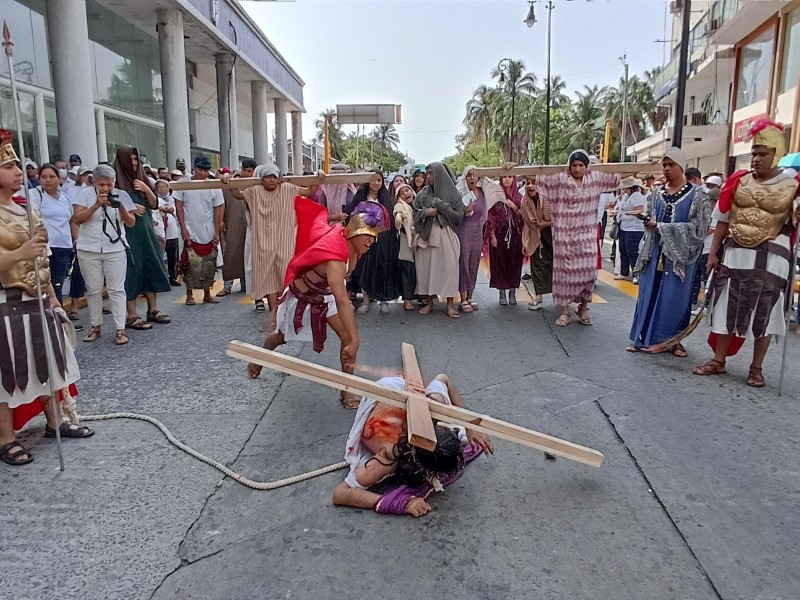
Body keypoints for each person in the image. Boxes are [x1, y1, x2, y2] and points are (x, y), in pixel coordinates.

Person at [0, 135, 92, 466]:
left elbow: (42, 262)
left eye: (15, 166)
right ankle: (5, 438)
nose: (17, 171)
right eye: (8, 166)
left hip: (38, 298)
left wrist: (53, 297)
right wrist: (17, 255)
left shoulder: (28, 210)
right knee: (8, 373)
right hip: (5, 302)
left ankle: (56, 420)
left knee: (47, 366)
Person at [693, 120, 800, 387]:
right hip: (735, 254)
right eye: (753, 153)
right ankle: (718, 360)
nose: (756, 159)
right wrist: (712, 253)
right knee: (726, 306)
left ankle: (756, 368)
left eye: (763, 154)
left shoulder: (792, 185)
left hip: (772, 257)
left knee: (767, 312)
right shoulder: (737, 182)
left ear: (776, 153)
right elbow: (723, 220)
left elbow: (795, 220)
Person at [246, 197, 378, 409]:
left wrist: (352, 339)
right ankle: (259, 358)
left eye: (374, 235)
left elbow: (339, 295)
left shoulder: (354, 247)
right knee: (280, 338)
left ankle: (347, 391)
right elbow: (342, 299)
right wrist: (356, 339)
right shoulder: (335, 254)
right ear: (353, 231)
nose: (371, 240)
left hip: (325, 297)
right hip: (303, 300)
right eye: (367, 234)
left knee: (348, 341)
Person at [332, 373, 492, 516]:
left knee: (436, 401)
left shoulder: (434, 406)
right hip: (384, 390)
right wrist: (404, 504)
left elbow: (444, 378)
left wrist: (470, 425)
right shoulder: (388, 457)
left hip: (402, 393)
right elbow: (341, 494)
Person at [627, 147, 711, 355]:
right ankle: (642, 338)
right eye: (664, 165)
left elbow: (700, 229)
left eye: (671, 164)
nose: (666, 169)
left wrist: (663, 227)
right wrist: (649, 224)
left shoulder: (697, 195)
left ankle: (673, 341)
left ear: (681, 166)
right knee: (649, 293)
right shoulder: (656, 194)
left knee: (675, 297)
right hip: (655, 252)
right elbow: (652, 221)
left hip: (680, 255)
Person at [221, 164, 320, 329]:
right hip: (263, 243)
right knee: (267, 280)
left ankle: (286, 316)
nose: (271, 180)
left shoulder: (287, 189)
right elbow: (237, 194)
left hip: (284, 241)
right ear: (261, 178)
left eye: (274, 176)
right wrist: (227, 180)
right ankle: (273, 316)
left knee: (286, 278)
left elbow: (310, 191)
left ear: (279, 178)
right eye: (267, 176)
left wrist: (319, 176)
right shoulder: (255, 191)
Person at [536, 151, 620, 326]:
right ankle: (565, 311)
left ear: (586, 166)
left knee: (589, 273)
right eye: (574, 165)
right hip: (563, 237)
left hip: (587, 235)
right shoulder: (560, 179)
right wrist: (511, 169)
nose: (577, 168)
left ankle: (583, 308)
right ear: (569, 166)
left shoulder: (595, 179)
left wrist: (642, 168)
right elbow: (537, 176)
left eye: (581, 165)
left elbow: (619, 174)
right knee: (564, 275)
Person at [73, 164, 137, 345]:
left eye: (109, 184)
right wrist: (96, 205)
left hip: (115, 249)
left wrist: (120, 207)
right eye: (102, 185)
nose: (106, 189)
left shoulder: (122, 195)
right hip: (89, 248)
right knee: (93, 290)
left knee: (117, 289)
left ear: (114, 182)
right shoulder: (84, 195)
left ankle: (120, 329)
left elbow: (131, 223)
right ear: (94, 182)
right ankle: (95, 326)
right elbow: (77, 219)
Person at [113, 146, 171, 327]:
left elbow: (154, 205)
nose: (133, 163)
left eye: (135, 160)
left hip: (146, 232)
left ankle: (153, 309)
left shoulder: (143, 179)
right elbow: (111, 206)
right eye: (129, 160)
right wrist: (128, 207)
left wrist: (146, 189)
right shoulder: (115, 182)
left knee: (150, 267)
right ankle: (132, 315)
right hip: (128, 234)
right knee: (131, 271)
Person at [414, 162, 465, 318]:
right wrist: (426, 213)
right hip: (427, 236)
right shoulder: (423, 193)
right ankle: (429, 302)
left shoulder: (453, 194)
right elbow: (415, 212)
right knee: (427, 269)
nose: (428, 177)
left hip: (446, 235)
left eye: (431, 173)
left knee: (449, 269)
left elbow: (458, 216)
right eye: (427, 173)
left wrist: (440, 205)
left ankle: (450, 304)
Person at [347, 171, 401, 314]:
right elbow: (352, 219)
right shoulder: (360, 198)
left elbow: (390, 223)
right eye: (373, 180)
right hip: (363, 241)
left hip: (383, 241)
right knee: (365, 270)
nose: (376, 183)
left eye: (379, 180)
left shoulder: (386, 200)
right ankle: (365, 300)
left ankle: (383, 300)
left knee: (383, 269)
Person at [174, 155, 224, 305]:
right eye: (200, 169)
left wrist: (217, 231)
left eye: (206, 170)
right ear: (194, 168)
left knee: (209, 260)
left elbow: (218, 209)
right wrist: (183, 228)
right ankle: (189, 293)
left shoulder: (214, 185)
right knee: (189, 261)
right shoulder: (183, 184)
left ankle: (207, 292)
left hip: (208, 226)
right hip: (189, 225)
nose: (203, 173)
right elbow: (179, 207)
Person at [455, 166, 503, 312]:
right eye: (469, 175)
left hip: (477, 232)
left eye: (475, 175)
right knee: (463, 262)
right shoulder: (460, 193)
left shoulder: (483, 193)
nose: (472, 178)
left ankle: (470, 296)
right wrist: (465, 211)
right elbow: (454, 213)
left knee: (474, 263)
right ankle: (462, 298)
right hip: (463, 230)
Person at [29, 164, 76, 305]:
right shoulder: (34, 195)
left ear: (59, 179)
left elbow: (71, 220)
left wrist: (76, 240)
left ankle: (60, 319)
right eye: (44, 177)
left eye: (51, 177)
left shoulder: (66, 198)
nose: (48, 180)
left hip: (64, 247)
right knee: (46, 284)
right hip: (45, 247)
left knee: (58, 284)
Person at [218, 159, 256, 296]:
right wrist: (221, 220)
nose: (246, 174)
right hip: (232, 221)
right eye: (244, 170)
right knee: (230, 253)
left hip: (252, 225)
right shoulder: (231, 182)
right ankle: (227, 285)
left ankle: (245, 284)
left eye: (249, 171)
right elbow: (220, 202)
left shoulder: (257, 184)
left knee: (248, 254)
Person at [486, 174, 524, 306]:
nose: (507, 179)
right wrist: (492, 235)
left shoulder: (519, 197)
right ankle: (502, 292)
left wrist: (514, 207)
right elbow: (490, 216)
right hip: (499, 234)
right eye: (504, 177)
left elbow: (524, 216)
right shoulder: (495, 195)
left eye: (510, 177)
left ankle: (512, 292)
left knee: (514, 262)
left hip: (516, 235)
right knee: (499, 262)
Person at [520, 176, 553, 310]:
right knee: (537, 267)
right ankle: (538, 296)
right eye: (527, 183)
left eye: (534, 183)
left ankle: (562, 298)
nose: (530, 186)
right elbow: (527, 224)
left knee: (555, 267)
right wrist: (525, 242)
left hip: (552, 235)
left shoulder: (549, 198)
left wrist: (546, 223)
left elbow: (559, 217)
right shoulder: (524, 202)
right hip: (535, 236)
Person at [614, 176, 647, 284]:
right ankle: (624, 272)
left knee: (632, 251)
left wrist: (628, 213)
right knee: (623, 250)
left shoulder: (636, 196)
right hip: (624, 226)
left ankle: (636, 273)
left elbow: (640, 210)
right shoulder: (626, 196)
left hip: (634, 228)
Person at [393, 183, 418, 311]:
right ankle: (407, 300)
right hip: (406, 243)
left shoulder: (417, 204)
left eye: (407, 190)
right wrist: (398, 217)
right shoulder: (401, 205)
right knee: (407, 271)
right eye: (402, 193)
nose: (406, 194)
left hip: (418, 243)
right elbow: (398, 212)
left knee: (416, 271)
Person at [155, 179, 181, 286]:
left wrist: (165, 209)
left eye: (164, 187)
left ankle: (173, 276)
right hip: (158, 231)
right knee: (159, 255)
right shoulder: (153, 199)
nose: (162, 189)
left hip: (172, 230)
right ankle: (159, 277)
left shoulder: (173, 199)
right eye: (159, 187)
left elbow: (172, 209)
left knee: (172, 255)